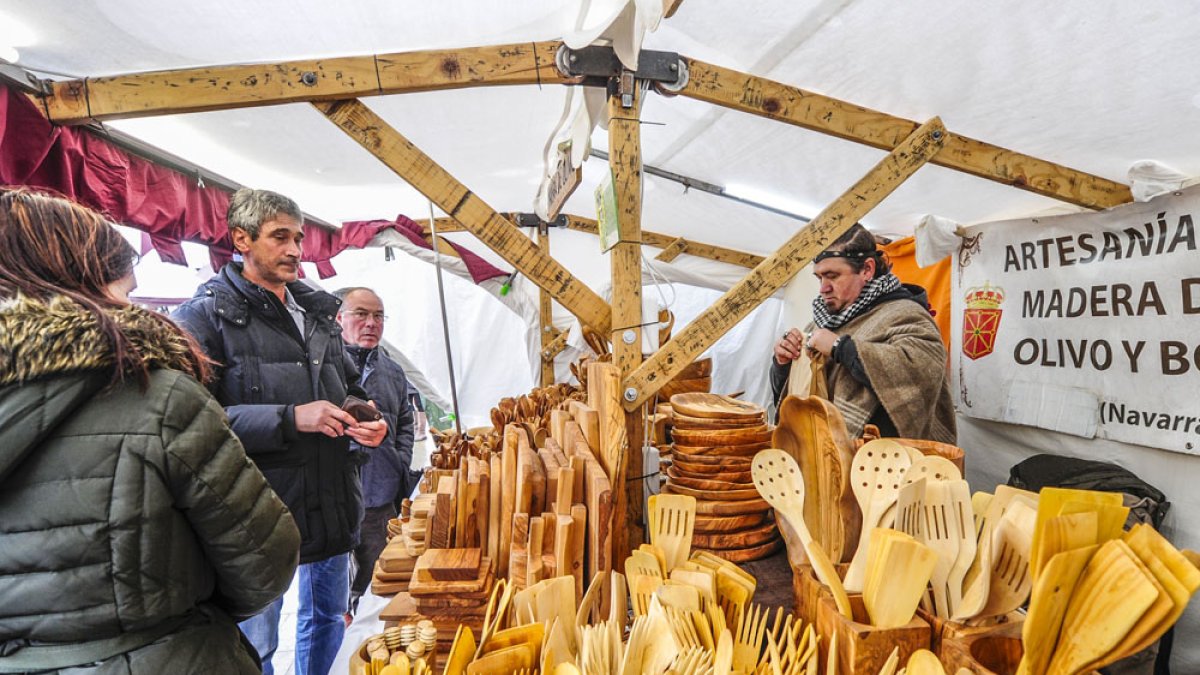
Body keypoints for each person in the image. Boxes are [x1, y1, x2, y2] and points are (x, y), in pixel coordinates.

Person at [0, 188, 300, 673]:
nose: (134, 308)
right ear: (87, 284)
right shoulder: (155, 394)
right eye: (126, 292)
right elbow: (264, 563)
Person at [173, 189, 386, 675]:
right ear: (241, 239)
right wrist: (291, 417)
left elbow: (345, 383)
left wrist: (361, 411)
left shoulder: (316, 310)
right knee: (256, 640)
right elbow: (190, 419)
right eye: (280, 237)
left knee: (327, 619)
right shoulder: (203, 317)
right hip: (255, 509)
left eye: (299, 238)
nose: (294, 249)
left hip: (331, 495)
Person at [770, 224, 956, 443]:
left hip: (888, 462)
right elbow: (795, 397)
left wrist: (842, 348)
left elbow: (922, 371)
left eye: (832, 276)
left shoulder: (906, 313)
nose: (823, 288)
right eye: (819, 278)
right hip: (826, 457)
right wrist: (783, 364)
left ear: (867, 269)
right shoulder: (820, 324)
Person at [333, 287, 423, 614]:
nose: (371, 323)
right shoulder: (322, 366)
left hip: (379, 495)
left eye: (378, 316)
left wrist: (399, 462)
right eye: (361, 314)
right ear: (339, 318)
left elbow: (404, 420)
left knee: (378, 580)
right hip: (333, 496)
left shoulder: (392, 370)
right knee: (331, 596)